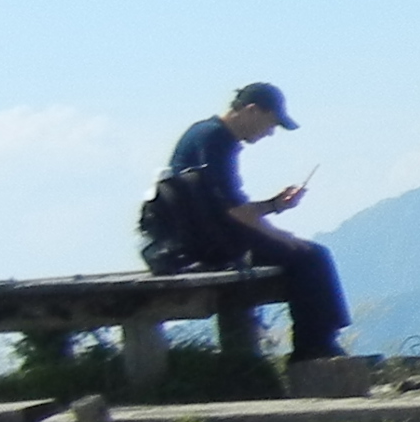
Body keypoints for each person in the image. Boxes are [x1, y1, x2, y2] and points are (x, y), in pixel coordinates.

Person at [143, 82, 349, 361]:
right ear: (252, 111)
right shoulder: (216, 140)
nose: (270, 132)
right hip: (206, 246)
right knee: (311, 257)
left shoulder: (204, 134)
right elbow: (235, 211)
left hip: (198, 238)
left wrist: (275, 205)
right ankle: (314, 348)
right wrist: (280, 236)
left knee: (308, 256)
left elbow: (225, 206)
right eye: (270, 123)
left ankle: (318, 343)